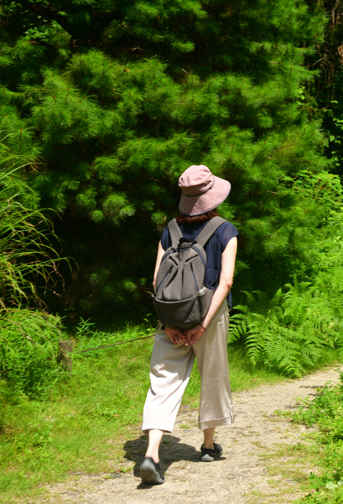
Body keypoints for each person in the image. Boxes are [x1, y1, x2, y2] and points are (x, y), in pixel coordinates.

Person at [139, 165, 239, 485]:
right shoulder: (226, 230)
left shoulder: (169, 230)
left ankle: (152, 454)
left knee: (163, 382)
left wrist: (168, 323)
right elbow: (225, 283)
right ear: (214, 198)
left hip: (171, 315)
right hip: (210, 315)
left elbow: (157, 280)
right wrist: (204, 324)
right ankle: (208, 446)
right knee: (212, 377)